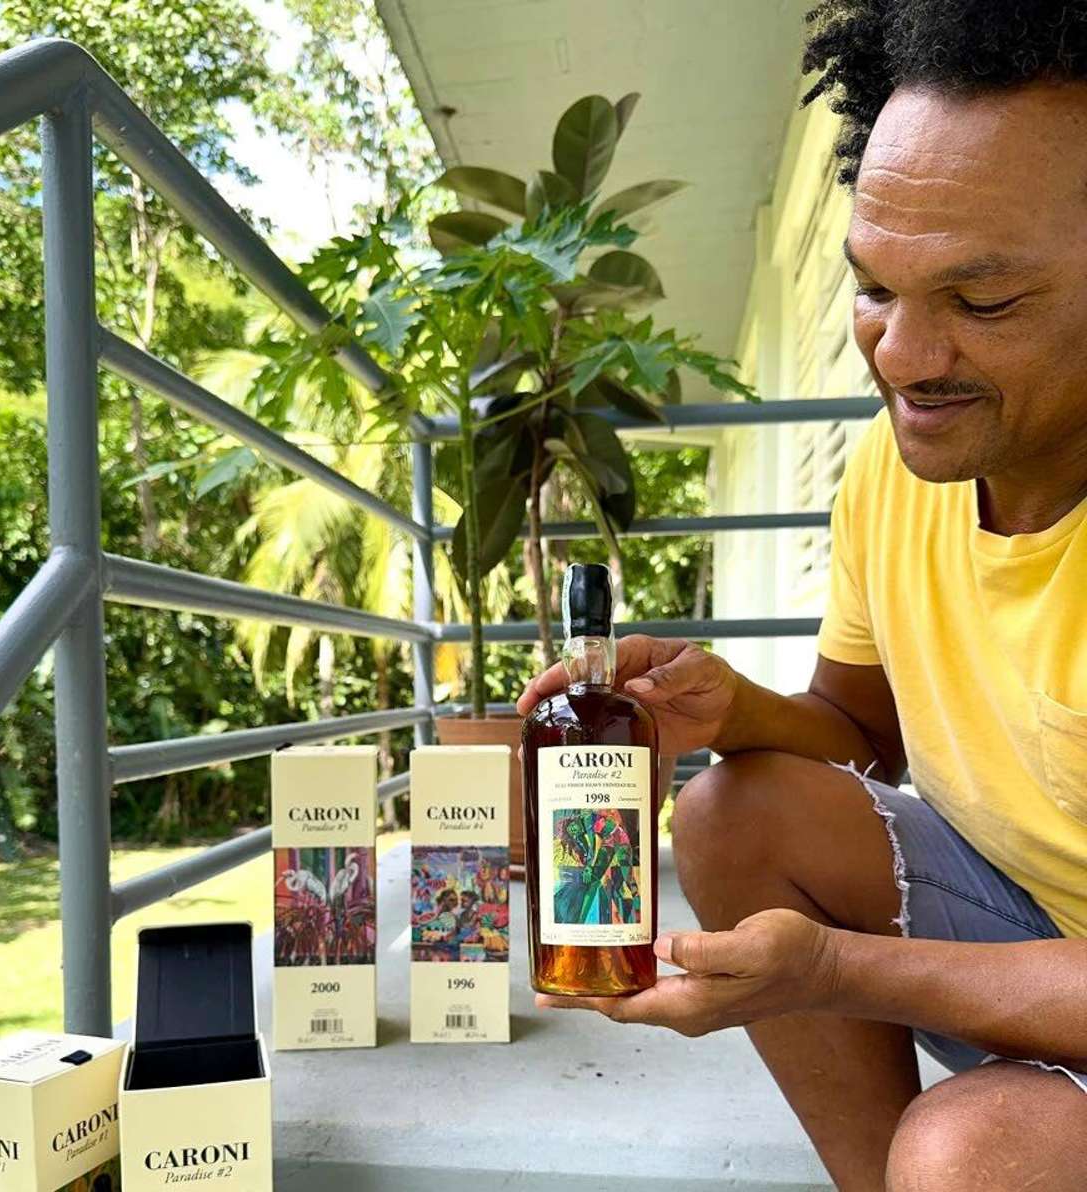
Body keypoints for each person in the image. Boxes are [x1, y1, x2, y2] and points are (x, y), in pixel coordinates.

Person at [517, 3, 1087, 1187]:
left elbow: (841, 964)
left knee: (971, 1154)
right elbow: (861, 736)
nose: (901, 357)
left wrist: (830, 969)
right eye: (873, 287)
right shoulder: (897, 470)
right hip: (1034, 927)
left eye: (981, 304)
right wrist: (736, 712)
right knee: (735, 810)